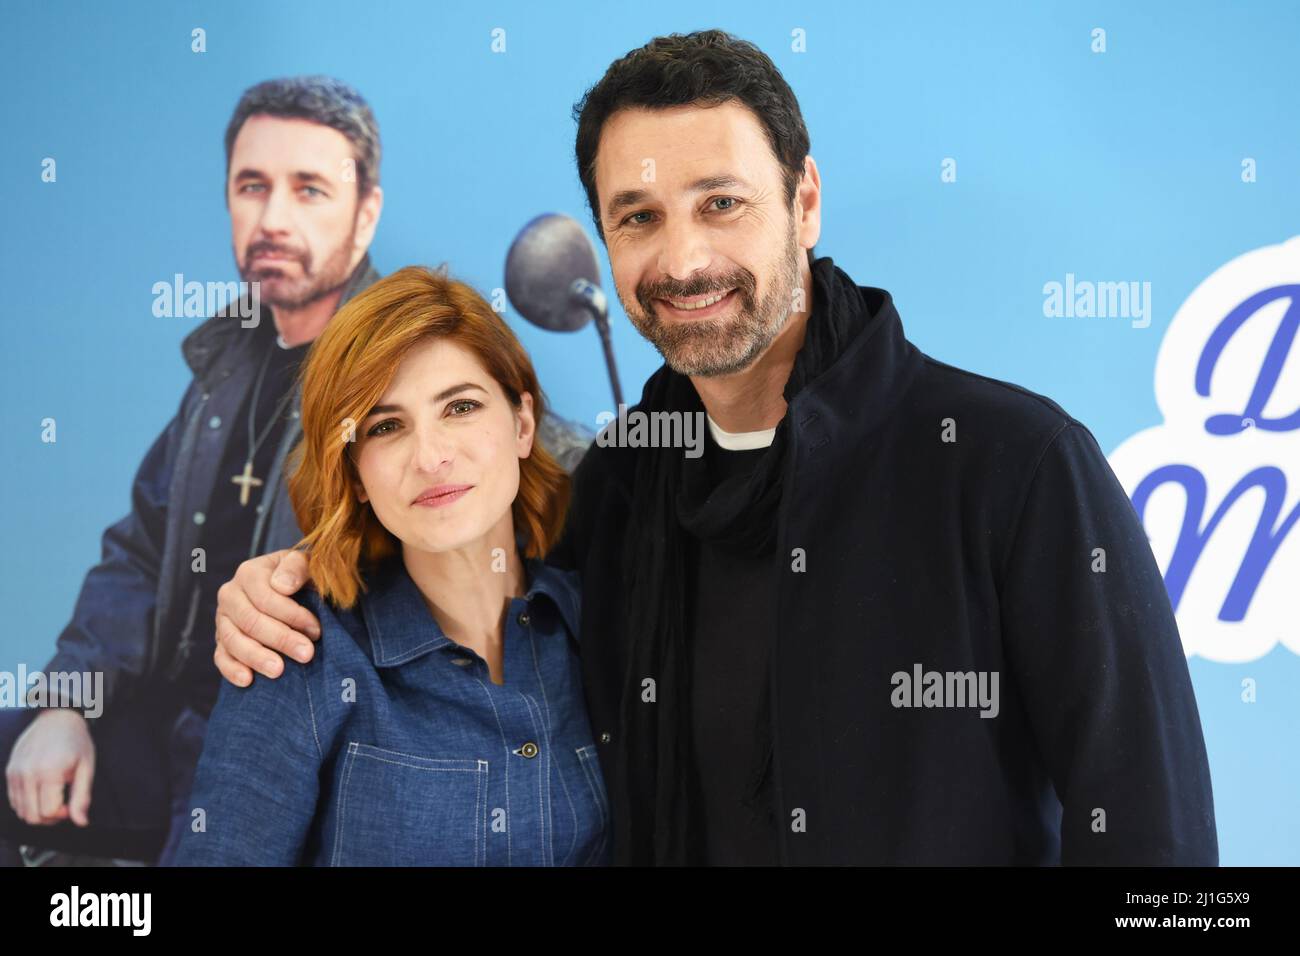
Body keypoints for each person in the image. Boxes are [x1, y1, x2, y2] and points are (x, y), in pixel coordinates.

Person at [213, 31, 1219, 865]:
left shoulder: (1013, 466)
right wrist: (279, 579)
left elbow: (1155, 848)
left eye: (720, 202)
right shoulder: (612, 489)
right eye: (639, 216)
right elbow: (451, 542)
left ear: (805, 199)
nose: (683, 258)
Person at [1, 75, 385, 865]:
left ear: (366, 212)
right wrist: (67, 705)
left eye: (310, 189)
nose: (273, 219)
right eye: (252, 186)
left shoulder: (400, 371)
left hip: (272, 751)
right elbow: (141, 550)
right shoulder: (226, 364)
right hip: (162, 716)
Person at [174, 266, 608, 866]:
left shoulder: (603, 625)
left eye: (460, 407)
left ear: (523, 424)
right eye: (386, 426)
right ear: (353, 471)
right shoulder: (298, 649)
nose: (431, 458)